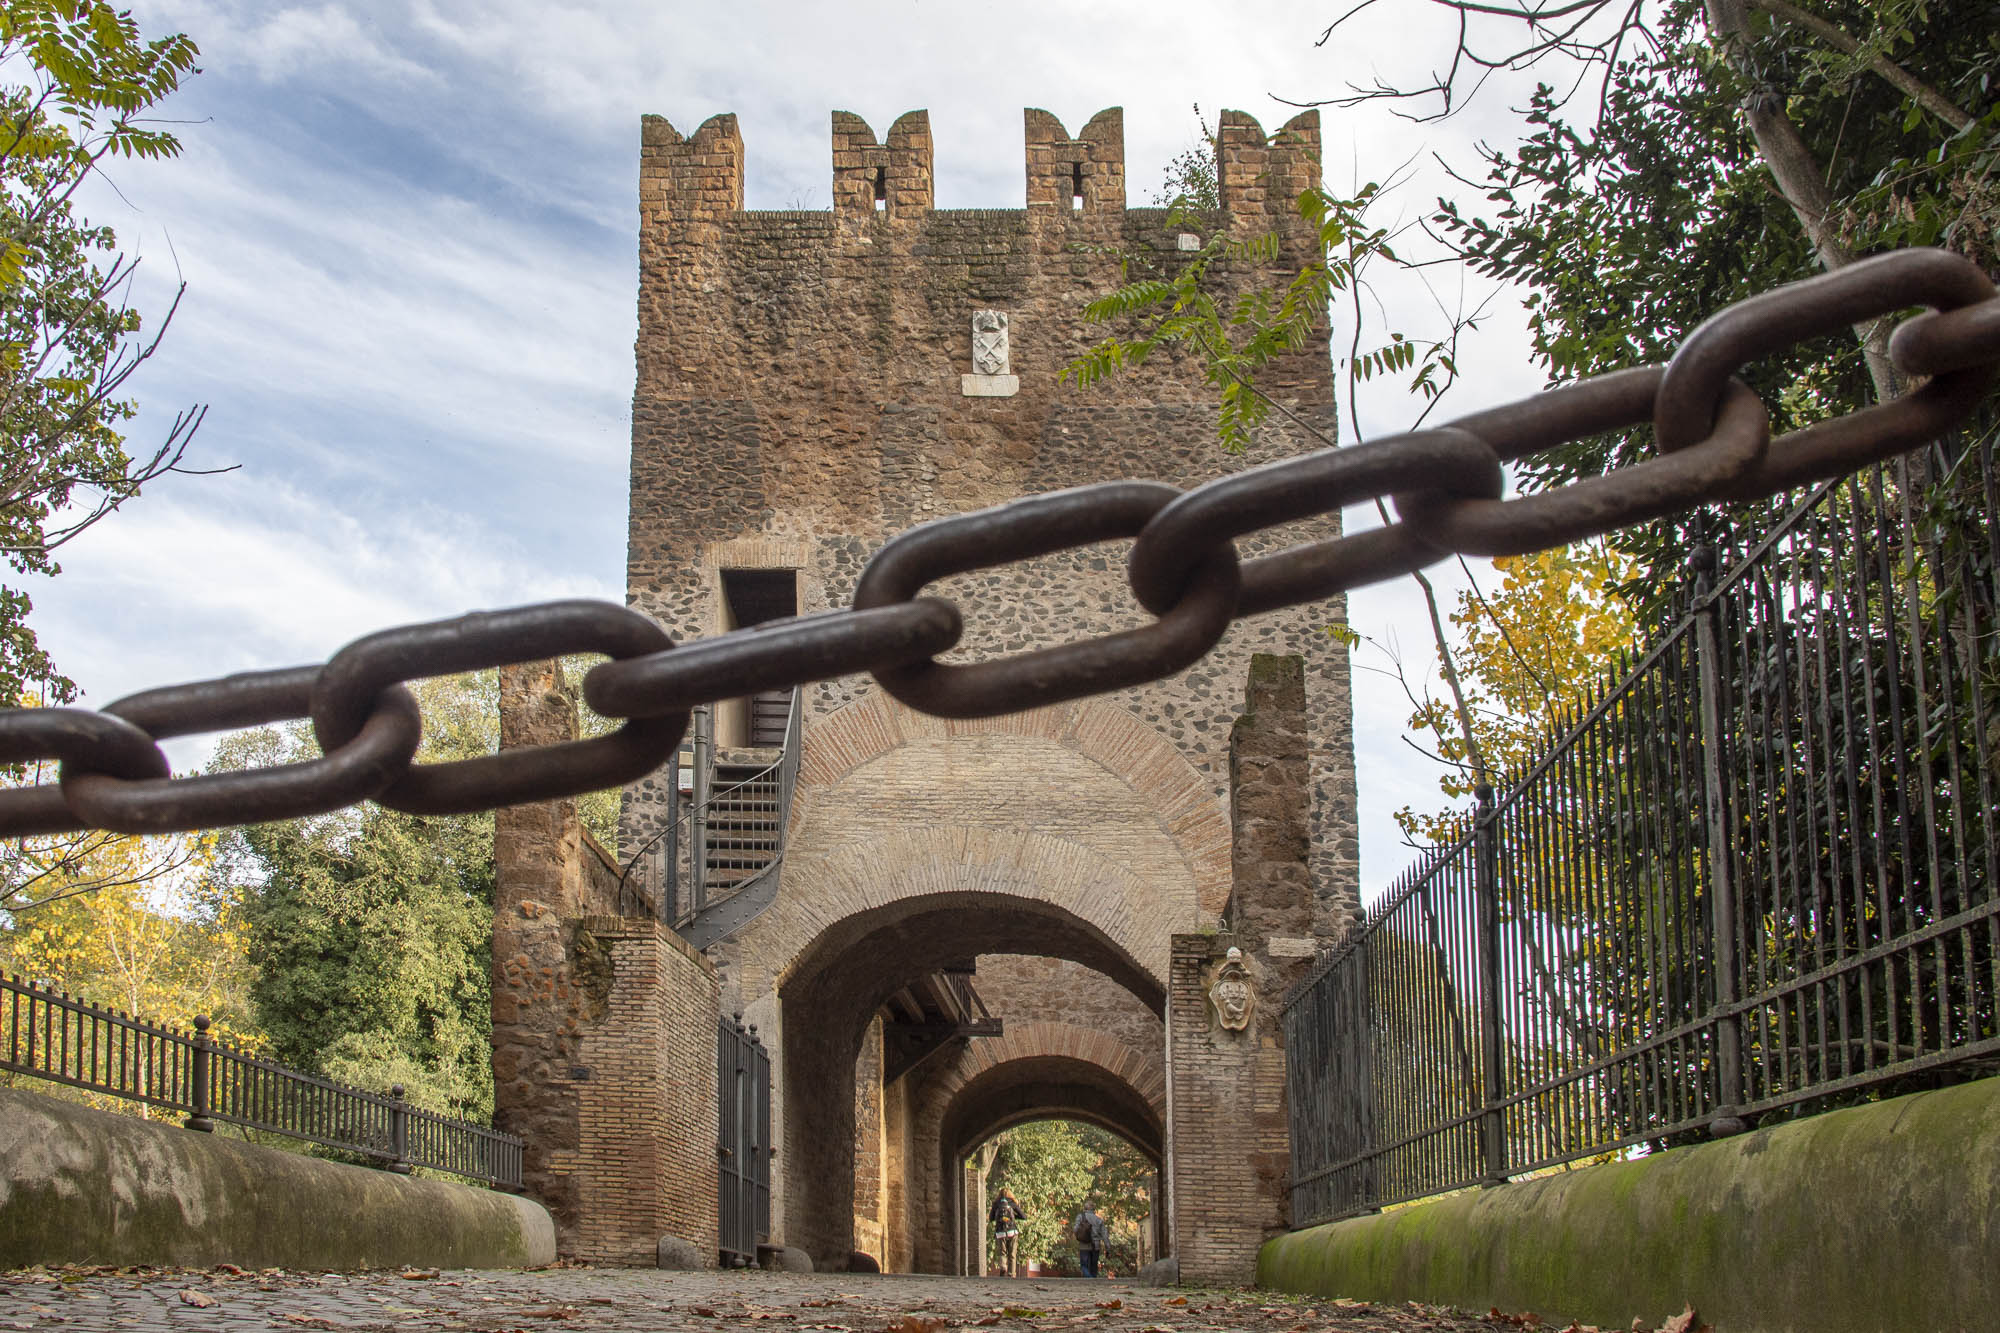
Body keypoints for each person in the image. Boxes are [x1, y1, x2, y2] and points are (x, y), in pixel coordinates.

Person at [988, 1187, 1027, 1277]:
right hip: (1012, 1231)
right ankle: (1011, 1273)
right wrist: (1013, 1216)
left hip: (1000, 1232)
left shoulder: (996, 1204)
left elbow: (991, 1218)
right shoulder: (1012, 1203)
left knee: (1002, 1252)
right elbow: (1024, 1217)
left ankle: (1003, 1267)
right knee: (1012, 1254)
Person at [1071, 1201, 1109, 1278]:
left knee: (1084, 1265)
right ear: (1094, 1209)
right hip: (1096, 1245)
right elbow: (1105, 1235)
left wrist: (1079, 1235)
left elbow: (1075, 1229)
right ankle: (1093, 1280)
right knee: (1094, 1265)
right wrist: (1108, 1247)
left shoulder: (1080, 1217)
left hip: (1083, 1244)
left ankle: (1089, 1279)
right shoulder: (1099, 1220)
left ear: (1085, 1208)